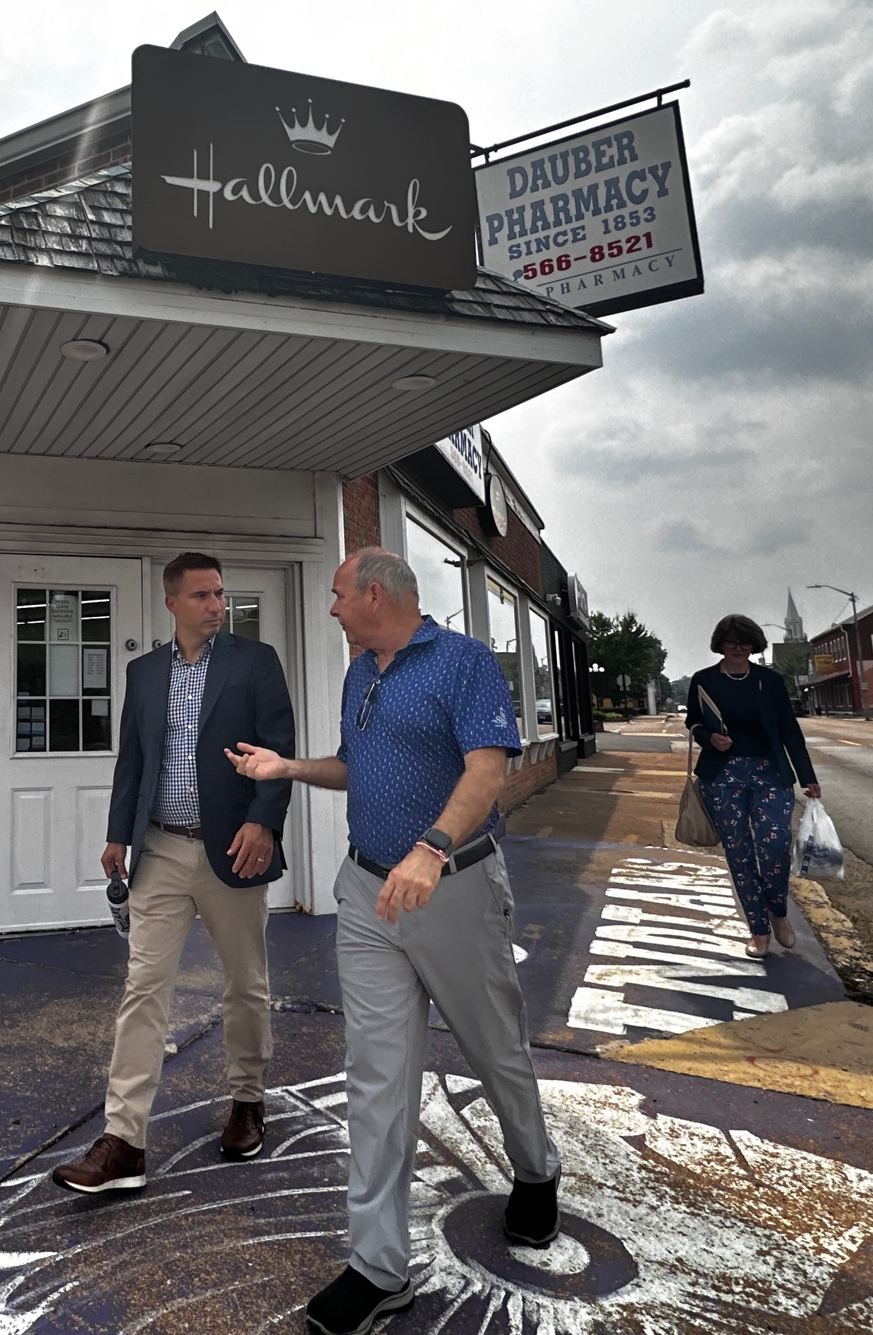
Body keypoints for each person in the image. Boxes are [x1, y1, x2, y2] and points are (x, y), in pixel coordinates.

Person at [229, 548, 560, 1335]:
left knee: (493, 1047)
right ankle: (379, 1267)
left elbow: (487, 770)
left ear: (376, 595)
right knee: (376, 1074)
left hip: (452, 886)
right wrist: (287, 768)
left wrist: (432, 848)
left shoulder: (464, 662)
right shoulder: (359, 674)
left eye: (339, 595)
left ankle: (535, 1169)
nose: (332, 608)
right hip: (366, 891)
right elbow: (354, 767)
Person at [50, 552, 297, 1193]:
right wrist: (117, 833)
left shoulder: (255, 662)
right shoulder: (144, 672)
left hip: (232, 850)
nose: (216, 605)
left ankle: (248, 1100)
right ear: (172, 603)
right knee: (143, 987)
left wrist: (264, 822)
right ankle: (123, 1141)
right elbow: (133, 760)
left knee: (245, 984)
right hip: (159, 849)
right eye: (202, 596)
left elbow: (279, 748)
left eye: (220, 593)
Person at [686, 615, 822, 959]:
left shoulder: (769, 681)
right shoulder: (704, 680)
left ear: (754, 645)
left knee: (775, 845)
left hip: (770, 773)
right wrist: (708, 737)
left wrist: (807, 776)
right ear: (721, 643)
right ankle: (758, 930)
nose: (738, 647)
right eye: (731, 641)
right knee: (739, 853)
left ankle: (777, 910)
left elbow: (789, 729)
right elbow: (694, 722)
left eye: (745, 641)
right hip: (722, 776)